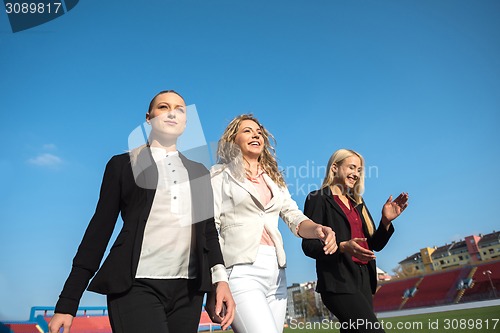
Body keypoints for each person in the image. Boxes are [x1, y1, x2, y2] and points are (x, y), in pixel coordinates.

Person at [48, 90, 235, 333]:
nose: (171, 113)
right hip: (135, 286)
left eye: (179, 109)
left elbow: (208, 233)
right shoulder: (122, 165)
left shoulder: (199, 172)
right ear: (149, 118)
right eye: (163, 107)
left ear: (186, 123)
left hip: (188, 293)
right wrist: (68, 301)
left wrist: (219, 282)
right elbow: (99, 230)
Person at [210, 114, 338, 333]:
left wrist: (317, 229)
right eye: (247, 131)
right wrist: (216, 279)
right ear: (233, 140)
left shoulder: (274, 178)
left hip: (276, 273)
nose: (256, 135)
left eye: (259, 132)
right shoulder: (219, 175)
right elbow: (209, 228)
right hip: (240, 271)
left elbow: (293, 216)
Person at [302, 149, 409, 333]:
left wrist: (385, 222)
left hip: (364, 281)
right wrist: (342, 247)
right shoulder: (317, 198)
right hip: (338, 282)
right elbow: (309, 245)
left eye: (359, 170)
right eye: (352, 167)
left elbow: (374, 245)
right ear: (335, 168)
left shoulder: (357, 203)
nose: (356, 174)